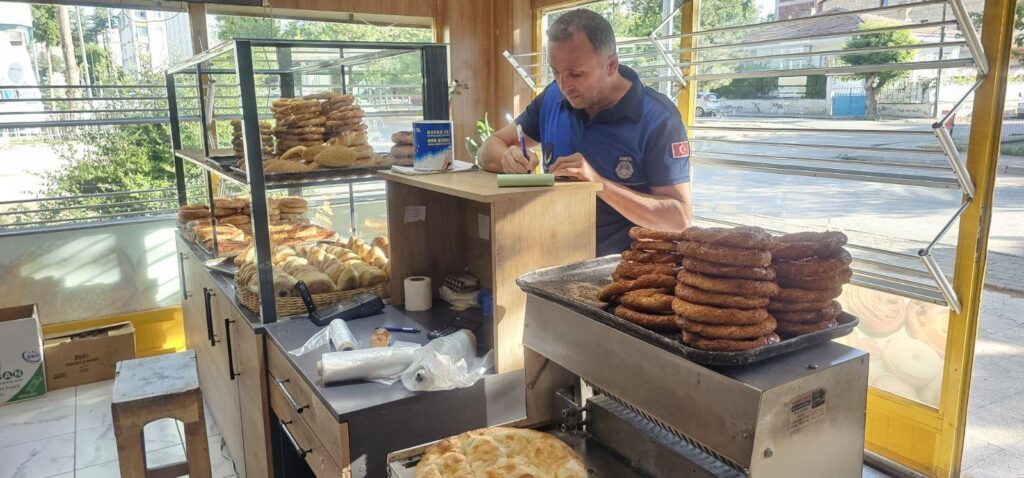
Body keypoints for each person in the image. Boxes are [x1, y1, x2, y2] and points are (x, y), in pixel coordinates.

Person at [478, 9, 692, 256]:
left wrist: (599, 183)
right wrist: (508, 160)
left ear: (611, 65)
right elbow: (488, 149)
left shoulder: (658, 118)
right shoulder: (552, 98)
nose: (564, 85)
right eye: (556, 72)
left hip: (625, 274)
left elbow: (679, 219)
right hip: (552, 259)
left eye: (576, 74)